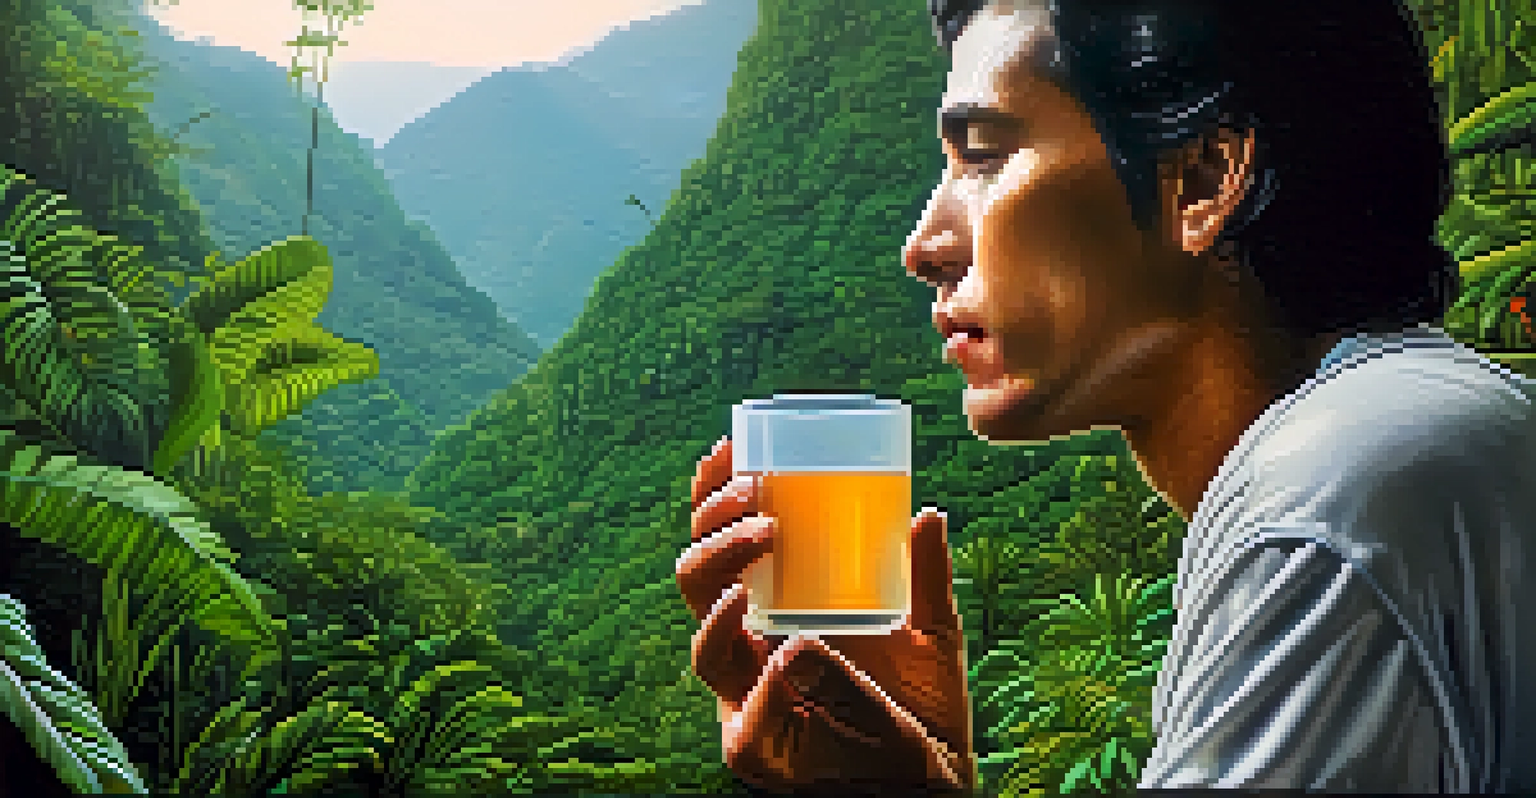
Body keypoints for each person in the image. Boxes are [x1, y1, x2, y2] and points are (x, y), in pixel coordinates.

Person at [676, 0, 1536, 791]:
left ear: (1202, 182)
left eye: (982, 155)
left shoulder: (1324, 501)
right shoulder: (1430, 426)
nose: (925, 244)